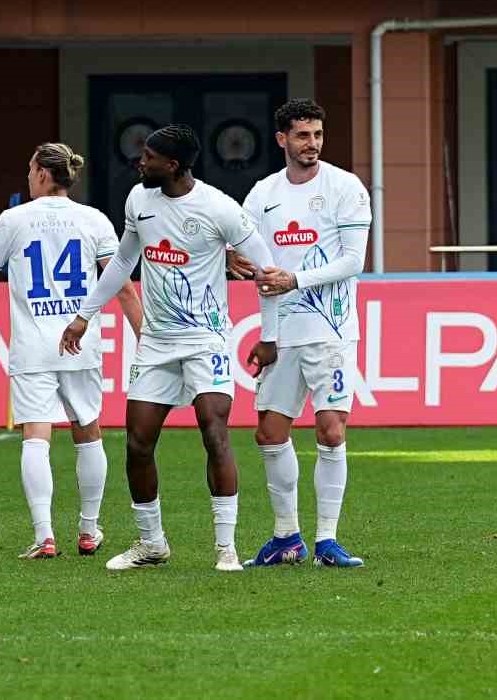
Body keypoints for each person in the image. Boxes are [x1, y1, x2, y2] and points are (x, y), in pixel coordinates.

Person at [59, 125, 280, 573]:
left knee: (214, 432)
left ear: (173, 166)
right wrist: (84, 314)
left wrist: (269, 336)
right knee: (138, 442)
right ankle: (152, 543)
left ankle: (225, 548)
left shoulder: (219, 208)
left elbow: (268, 270)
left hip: (206, 340)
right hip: (156, 343)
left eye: (149, 157)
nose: (140, 162)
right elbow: (124, 260)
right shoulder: (138, 201)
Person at [0, 144, 144, 559]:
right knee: (88, 431)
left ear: (43, 174)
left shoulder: (13, 219)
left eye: (31, 169)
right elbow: (123, 286)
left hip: (33, 347)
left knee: (35, 435)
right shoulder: (93, 219)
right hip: (80, 344)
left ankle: (44, 536)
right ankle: (89, 529)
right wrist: (145, 337)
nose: (28, 176)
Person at [234, 99, 371, 569]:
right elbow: (255, 265)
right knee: (269, 432)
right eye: (302, 135)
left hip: (331, 331)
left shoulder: (345, 187)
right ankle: (286, 537)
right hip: (282, 333)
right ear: (282, 140)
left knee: (330, 431)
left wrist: (296, 280)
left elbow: (354, 261)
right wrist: (267, 332)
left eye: (317, 134)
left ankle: (328, 540)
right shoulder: (262, 194)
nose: (312, 143)